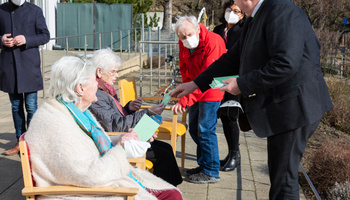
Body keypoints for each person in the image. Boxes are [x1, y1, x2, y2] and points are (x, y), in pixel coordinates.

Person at [170, 0, 333, 199]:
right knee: (280, 175)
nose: (232, 5)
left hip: (294, 108)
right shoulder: (254, 18)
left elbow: (284, 63)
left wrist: (241, 85)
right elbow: (232, 58)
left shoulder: (282, 11)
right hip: (284, 110)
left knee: (284, 180)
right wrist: (195, 84)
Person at [24, 56, 182, 200]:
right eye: (94, 81)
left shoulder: (72, 110)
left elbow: (91, 143)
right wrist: (120, 149)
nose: (98, 86)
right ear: (80, 88)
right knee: (172, 196)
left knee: (172, 193)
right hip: (84, 193)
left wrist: (122, 139)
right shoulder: (57, 123)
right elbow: (90, 175)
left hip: (98, 183)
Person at [89, 48, 183, 187]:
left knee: (166, 148)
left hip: (121, 136)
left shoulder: (105, 89)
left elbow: (113, 117)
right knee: (163, 156)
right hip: (115, 143)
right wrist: (148, 112)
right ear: (99, 72)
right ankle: (166, 191)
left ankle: (171, 190)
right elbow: (116, 126)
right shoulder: (96, 94)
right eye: (113, 71)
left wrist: (128, 108)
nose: (117, 75)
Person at [172, 16, 226, 184]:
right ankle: (204, 164)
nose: (187, 39)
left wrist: (186, 98)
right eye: (182, 37)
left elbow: (209, 76)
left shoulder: (213, 42)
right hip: (194, 88)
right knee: (194, 129)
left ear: (197, 29)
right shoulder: (184, 44)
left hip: (212, 88)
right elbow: (185, 70)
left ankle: (211, 170)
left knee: (205, 129)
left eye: (189, 34)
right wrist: (184, 93)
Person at [0, 0, 50, 155]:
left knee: (31, 106)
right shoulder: (1, 10)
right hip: (9, 67)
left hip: (29, 67)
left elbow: (45, 36)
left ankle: (33, 142)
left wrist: (27, 39)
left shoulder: (35, 10)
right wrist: (1, 40)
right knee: (15, 107)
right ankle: (19, 142)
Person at [213, 0, 245, 172]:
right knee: (221, 116)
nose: (231, 13)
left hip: (234, 78)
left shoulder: (242, 31)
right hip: (217, 77)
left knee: (231, 115)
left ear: (242, 15)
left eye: (236, 11)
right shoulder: (218, 30)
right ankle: (229, 153)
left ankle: (235, 154)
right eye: (229, 9)